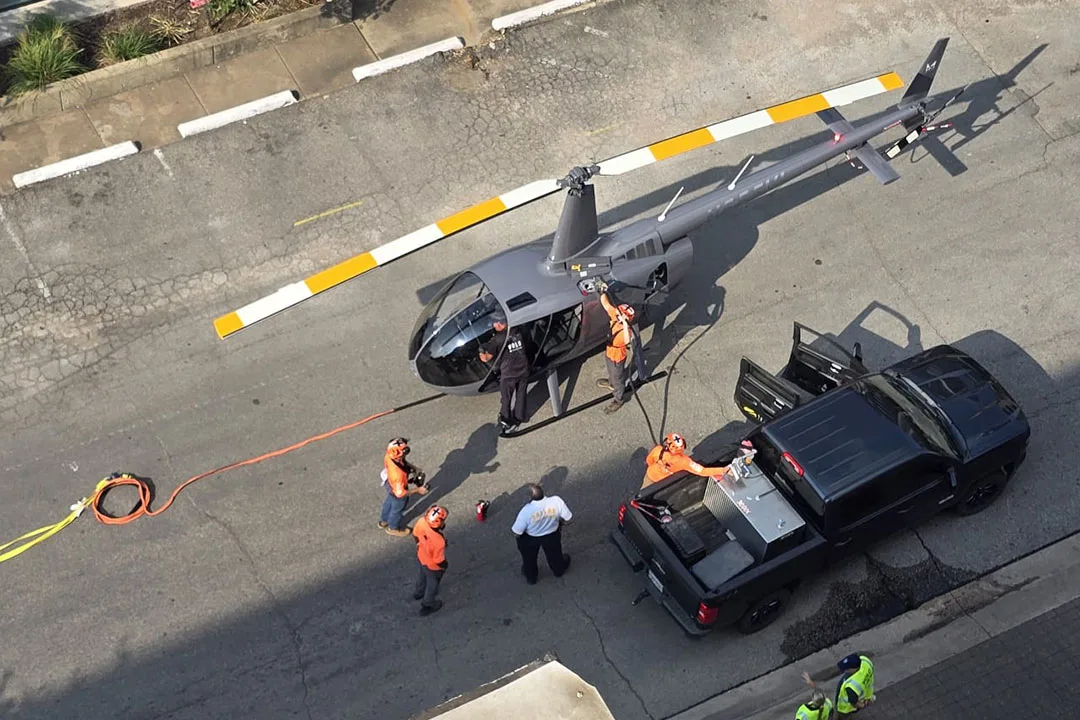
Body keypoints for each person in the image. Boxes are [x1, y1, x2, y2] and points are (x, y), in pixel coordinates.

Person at [511, 483, 573, 584]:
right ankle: (558, 570)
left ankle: (531, 577)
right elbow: (569, 518)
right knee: (555, 555)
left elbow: (517, 532)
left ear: (530, 497)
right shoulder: (556, 501)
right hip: (552, 534)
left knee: (529, 558)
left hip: (531, 538)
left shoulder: (526, 511)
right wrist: (560, 524)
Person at [479, 319, 531, 433]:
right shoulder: (518, 331)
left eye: (495, 323)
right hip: (523, 369)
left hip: (509, 374)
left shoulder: (497, 339)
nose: (493, 325)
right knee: (521, 394)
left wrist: (480, 350)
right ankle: (520, 416)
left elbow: (486, 358)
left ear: (500, 324)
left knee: (506, 398)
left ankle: (505, 420)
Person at [595, 280, 636, 414]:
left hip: (618, 356)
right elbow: (606, 304)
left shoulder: (627, 330)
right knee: (610, 369)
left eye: (621, 315)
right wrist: (602, 291)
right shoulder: (615, 314)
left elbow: (626, 339)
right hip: (609, 350)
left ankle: (618, 398)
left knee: (618, 377)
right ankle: (611, 382)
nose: (618, 315)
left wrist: (624, 323)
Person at [642, 433, 730, 489]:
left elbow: (649, 460)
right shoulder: (684, 461)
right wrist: (722, 470)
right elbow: (702, 471)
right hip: (664, 484)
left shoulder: (658, 450)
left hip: (650, 476)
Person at [379, 437, 428, 537]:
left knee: (389, 502)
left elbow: (403, 462)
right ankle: (392, 528)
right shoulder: (398, 475)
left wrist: (414, 468)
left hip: (389, 483)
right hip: (397, 488)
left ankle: (384, 521)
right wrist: (419, 490)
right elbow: (400, 493)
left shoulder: (390, 455)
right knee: (397, 508)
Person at [412, 505, 449, 616]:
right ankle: (428, 603)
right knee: (433, 583)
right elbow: (438, 560)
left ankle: (419, 592)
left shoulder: (422, 521)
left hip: (421, 555)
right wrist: (444, 566)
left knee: (422, 575)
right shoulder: (439, 541)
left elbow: (415, 534)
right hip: (432, 566)